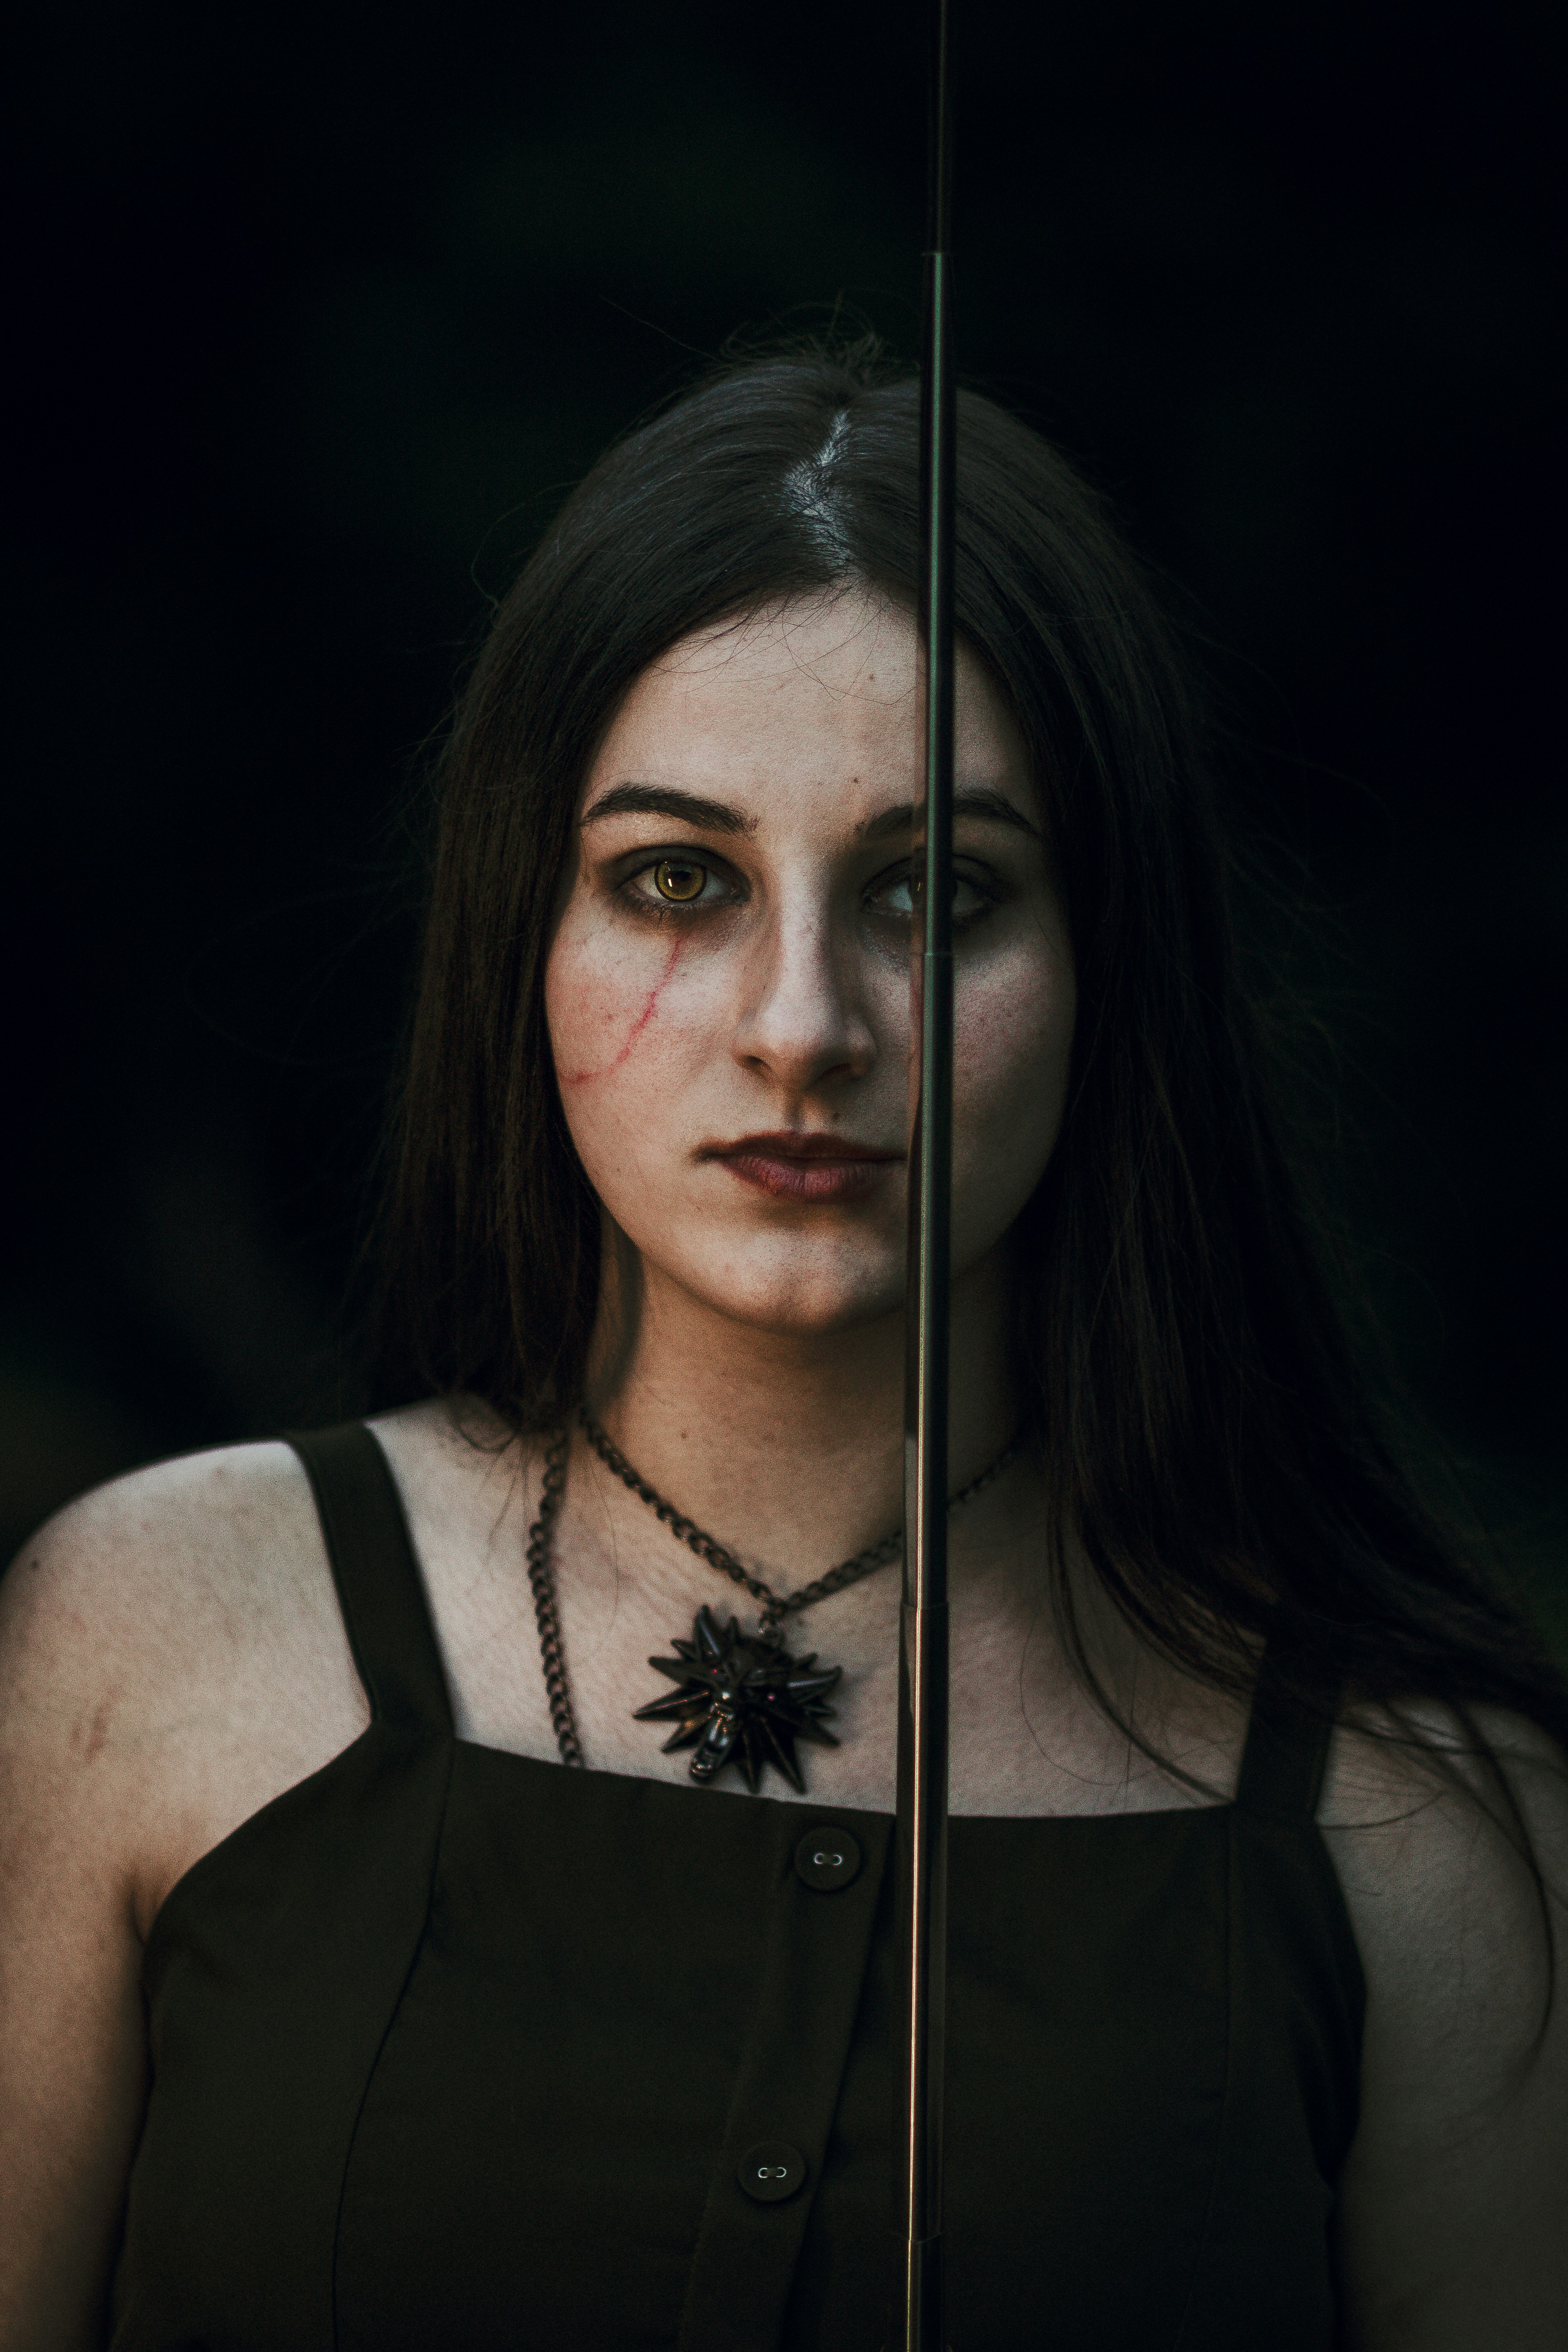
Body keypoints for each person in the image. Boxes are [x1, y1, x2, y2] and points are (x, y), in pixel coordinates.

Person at [1, 345, 1564, 2352]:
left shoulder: (1425, 1831)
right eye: (677, 879)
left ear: (1110, 971)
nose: (803, 1022)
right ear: (521, 937)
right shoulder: (156, 1636)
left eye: (938, 892)